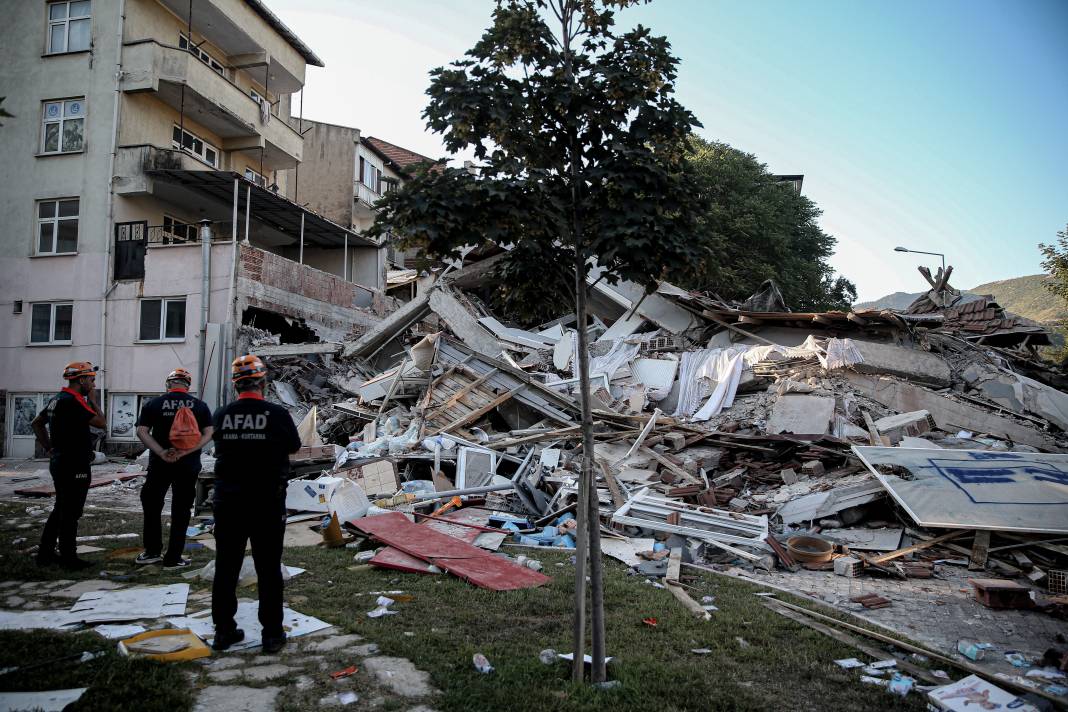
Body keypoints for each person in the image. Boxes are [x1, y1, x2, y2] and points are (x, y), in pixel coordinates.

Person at [210, 355, 300, 653]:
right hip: (266, 503)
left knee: (226, 567)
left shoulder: (221, 414)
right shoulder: (277, 414)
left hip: (228, 502)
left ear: (235, 385)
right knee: (268, 568)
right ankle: (272, 635)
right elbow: (294, 446)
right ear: (263, 382)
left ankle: (224, 632)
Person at [134, 367, 213, 569]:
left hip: (160, 464)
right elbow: (208, 434)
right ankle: (173, 557)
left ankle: (152, 552)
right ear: (188, 385)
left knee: (152, 505)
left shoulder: (154, 404)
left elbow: (142, 431)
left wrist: (161, 452)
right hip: (188, 465)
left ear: (168, 384)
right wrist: (185, 452)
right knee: (182, 509)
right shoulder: (200, 406)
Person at [31, 362, 106, 570]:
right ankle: (68, 558)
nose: (93, 384)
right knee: (71, 512)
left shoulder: (57, 399)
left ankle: (45, 554)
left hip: (60, 461)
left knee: (61, 508)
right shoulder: (74, 401)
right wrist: (93, 401)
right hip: (75, 464)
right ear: (81, 380)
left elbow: (36, 423)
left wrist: (49, 448)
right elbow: (101, 422)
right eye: (91, 380)